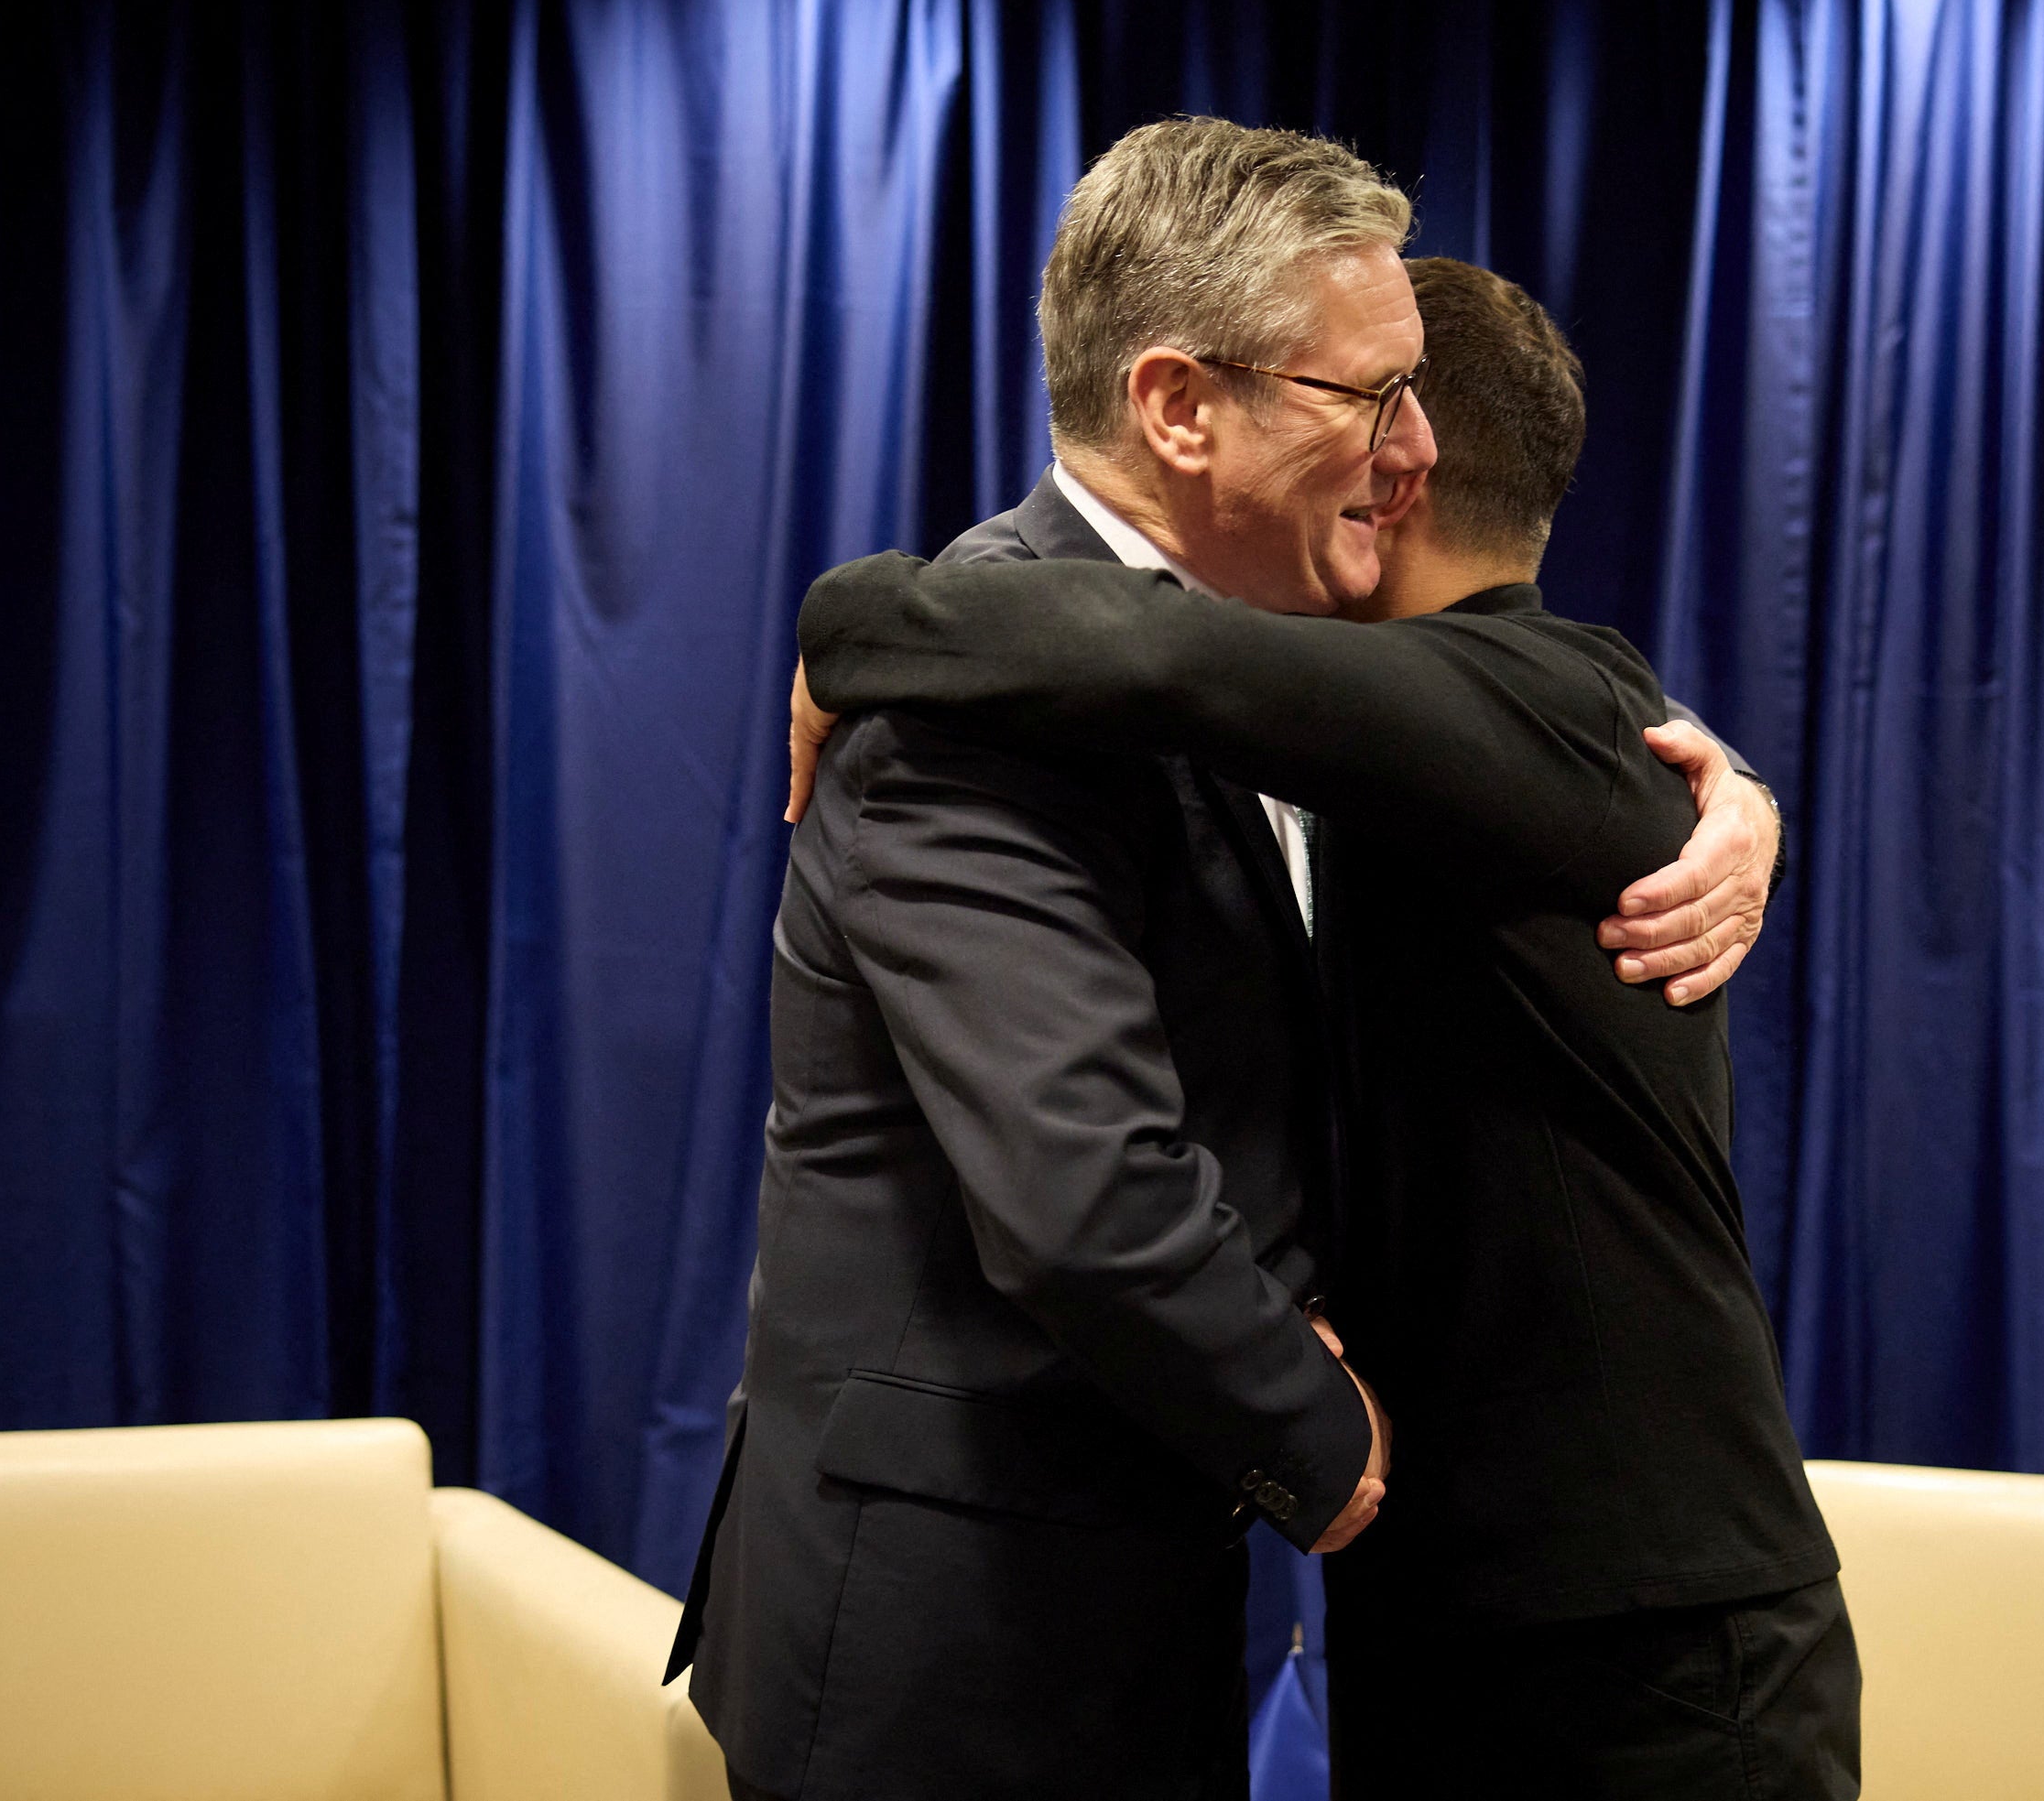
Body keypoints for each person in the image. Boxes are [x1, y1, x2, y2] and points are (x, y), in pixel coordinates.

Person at [669, 122, 1781, 1801]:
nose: (1418, 447)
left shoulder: (1295, 664)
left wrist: (1728, 782)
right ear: (1181, 405)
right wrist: (1323, 1444)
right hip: (952, 1658)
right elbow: (1085, 1184)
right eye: (1370, 397)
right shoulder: (966, 712)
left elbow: (1546, 723)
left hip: (1165, 1610)